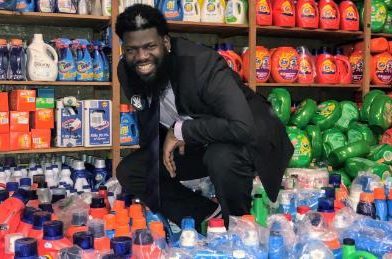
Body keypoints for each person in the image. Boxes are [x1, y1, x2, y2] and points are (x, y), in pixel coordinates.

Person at [115, 4, 293, 229]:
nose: (141, 57)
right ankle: (208, 217)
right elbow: (146, 118)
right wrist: (155, 162)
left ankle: (239, 229)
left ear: (166, 44)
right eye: (132, 49)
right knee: (132, 171)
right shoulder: (127, 71)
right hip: (198, 142)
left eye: (150, 46)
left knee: (220, 157)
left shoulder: (201, 63)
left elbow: (241, 127)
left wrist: (179, 131)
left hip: (246, 136)